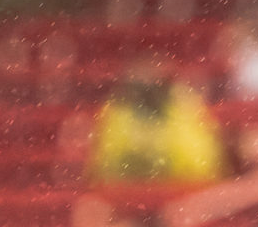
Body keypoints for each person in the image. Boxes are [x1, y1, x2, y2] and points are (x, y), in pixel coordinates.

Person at [89, 61, 224, 185]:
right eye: (142, 87)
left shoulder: (186, 107)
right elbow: (104, 170)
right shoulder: (117, 113)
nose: (149, 93)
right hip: (128, 195)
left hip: (181, 192)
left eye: (157, 85)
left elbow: (203, 168)